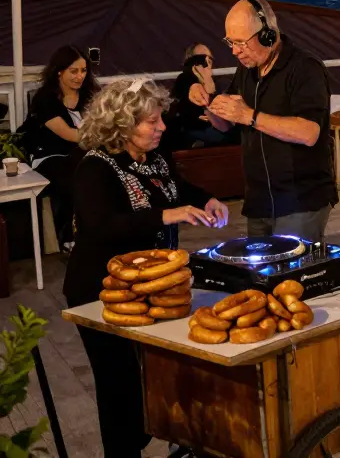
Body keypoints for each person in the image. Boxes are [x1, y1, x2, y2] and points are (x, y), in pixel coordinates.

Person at [64, 79, 229, 457]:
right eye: (152, 121)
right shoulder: (94, 167)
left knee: (157, 376)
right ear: (122, 124)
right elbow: (100, 224)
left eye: (161, 119)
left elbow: (178, 188)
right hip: (102, 293)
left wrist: (209, 199)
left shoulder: (155, 157)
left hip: (153, 288)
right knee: (118, 385)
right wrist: (165, 215)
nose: (162, 128)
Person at [190, 0, 337, 241]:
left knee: (291, 275)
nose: (235, 51)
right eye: (230, 42)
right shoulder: (247, 68)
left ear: (268, 35)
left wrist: (249, 116)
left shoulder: (306, 69)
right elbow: (226, 124)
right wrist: (208, 103)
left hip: (299, 202)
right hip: (259, 203)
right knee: (261, 277)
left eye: (241, 43)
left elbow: (309, 133)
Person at [21, 45, 98, 248]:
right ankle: (70, 235)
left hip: (82, 153)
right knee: (75, 173)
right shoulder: (45, 99)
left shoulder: (90, 95)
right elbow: (71, 135)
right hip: (48, 156)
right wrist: (105, 135)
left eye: (83, 71)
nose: (79, 76)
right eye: (74, 71)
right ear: (59, 71)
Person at [165, 43, 232, 150]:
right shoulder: (184, 79)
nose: (206, 61)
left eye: (209, 58)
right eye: (201, 58)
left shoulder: (215, 83)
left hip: (215, 130)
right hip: (193, 131)